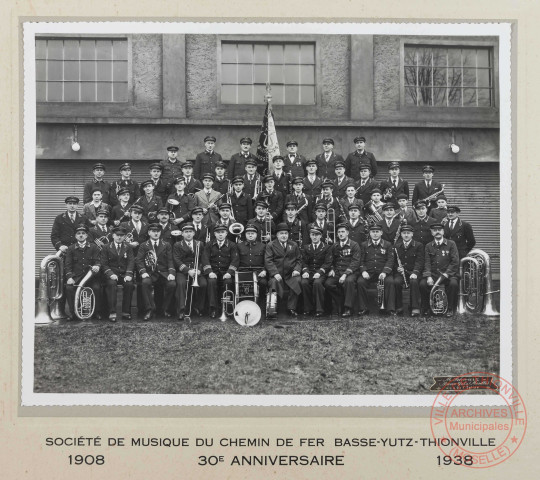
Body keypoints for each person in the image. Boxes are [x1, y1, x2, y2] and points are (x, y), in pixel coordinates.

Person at [136, 223, 176, 320]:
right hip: (150, 273)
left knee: (172, 284)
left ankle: (164, 309)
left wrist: (171, 273)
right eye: (153, 231)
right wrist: (143, 272)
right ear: (149, 232)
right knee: (145, 283)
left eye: (158, 231)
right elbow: (139, 260)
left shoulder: (166, 245)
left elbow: (170, 260)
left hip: (163, 273)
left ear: (160, 232)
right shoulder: (143, 245)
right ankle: (149, 309)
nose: (156, 233)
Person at [420, 222, 460, 317]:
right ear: (431, 233)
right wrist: (428, 276)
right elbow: (427, 262)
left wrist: (447, 273)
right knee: (422, 284)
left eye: (439, 230)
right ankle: (427, 308)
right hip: (434, 274)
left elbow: (455, 261)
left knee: (453, 284)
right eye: (435, 230)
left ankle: (450, 308)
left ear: (443, 231)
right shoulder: (428, 246)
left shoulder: (451, 244)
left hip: (449, 274)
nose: (437, 232)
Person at [64, 225, 102, 320]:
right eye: (78, 234)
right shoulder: (71, 248)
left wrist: (97, 265)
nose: (81, 235)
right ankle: (73, 313)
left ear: (86, 236)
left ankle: (96, 312)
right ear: (75, 236)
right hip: (76, 277)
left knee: (96, 288)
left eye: (83, 233)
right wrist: (69, 277)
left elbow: (98, 261)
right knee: (69, 288)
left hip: (90, 277)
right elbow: (67, 265)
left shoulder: (94, 247)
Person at [264, 223, 302, 317]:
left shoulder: (293, 245)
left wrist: (297, 269)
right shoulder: (271, 245)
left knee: (297, 280)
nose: (284, 235)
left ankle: (291, 308)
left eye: (286, 233)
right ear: (277, 235)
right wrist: (275, 273)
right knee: (273, 283)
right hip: (277, 274)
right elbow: (268, 261)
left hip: (290, 274)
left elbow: (299, 260)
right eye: (281, 233)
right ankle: (273, 308)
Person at [324, 223, 361, 317]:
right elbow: (330, 260)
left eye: (343, 232)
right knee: (328, 284)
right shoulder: (335, 246)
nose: (341, 234)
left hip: (350, 272)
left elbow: (355, 262)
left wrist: (345, 274)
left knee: (349, 282)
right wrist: (331, 269)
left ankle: (348, 308)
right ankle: (341, 301)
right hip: (337, 271)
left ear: (347, 233)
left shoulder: (354, 245)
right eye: (339, 232)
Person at [357, 224, 395, 315]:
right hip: (368, 272)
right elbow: (360, 260)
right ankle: (363, 308)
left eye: (377, 232)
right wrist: (364, 271)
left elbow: (390, 260)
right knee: (360, 282)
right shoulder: (363, 245)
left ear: (381, 233)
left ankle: (390, 309)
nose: (375, 234)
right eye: (373, 232)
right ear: (369, 233)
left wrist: (385, 272)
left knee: (390, 282)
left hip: (382, 272)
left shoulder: (388, 244)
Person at [202, 224, 239, 318]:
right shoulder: (209, 244)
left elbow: (235, 260)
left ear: (226, 233)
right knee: (211, 282)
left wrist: (229, 273)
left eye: (222, 232)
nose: (220, 234)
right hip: (213, 272)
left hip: (226, 272)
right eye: (218, 232)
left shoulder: (232, 245)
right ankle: (213, 308)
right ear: (214, 233)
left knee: (228, 282)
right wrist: (210, 272)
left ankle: (227, 308)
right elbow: (205, 258)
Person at [173, 223, 208, 320]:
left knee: (204, 284)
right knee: (181, 283)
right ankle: (181, 310)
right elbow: (176, 260)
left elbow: (203, 259)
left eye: (190, 232)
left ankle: (198, 307)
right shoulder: (177, 245)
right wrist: (188, 271)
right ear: (182, 234)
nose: (188, 234)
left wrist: (199, 270)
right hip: (183, 271)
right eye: (186, 232)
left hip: (196, 270)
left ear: (194, 233)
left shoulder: (199, 244)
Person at [100, 226, 135, 321]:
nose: (119, 237)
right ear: (113, 236)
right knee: (111, 285)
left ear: (124, 237)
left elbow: (131, 261)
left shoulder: (128, 247)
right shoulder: (106, 247)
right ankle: (112, 312)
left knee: (129, 285)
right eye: (117, 235)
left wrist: (128, 274)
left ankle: (126, 312)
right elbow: (104, 264)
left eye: (121, 235)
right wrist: (110, 274)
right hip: (111, 274)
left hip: (124, 274)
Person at [392, 224, 424, 317]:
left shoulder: (418, 245)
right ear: (401, 234)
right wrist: (397, 268)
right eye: (404, 233)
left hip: (413, 272)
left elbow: (420, 261)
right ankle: (399, 306)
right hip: (401, 273)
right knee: (396, 282)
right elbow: (393, 262)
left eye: (408, 233)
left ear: (412, 234)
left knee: (414, 282)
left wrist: (415, 272)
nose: (406, 235)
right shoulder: (396, 246)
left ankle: (414, 307)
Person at [301, 226, 332, 317]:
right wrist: (305, 271)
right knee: (304, 283)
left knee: (317, 283)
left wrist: (319, 272)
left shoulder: (326, 248)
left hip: (322, 273)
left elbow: (327, 263)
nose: (314, 237)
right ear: (310, 236)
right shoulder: (306, 247)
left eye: (317, 235)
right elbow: (304, 262)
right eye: (313, 235)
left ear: (321, 236)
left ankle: (319, 309)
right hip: (310, 272)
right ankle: (308, 308)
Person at [237, 224, 268, 313]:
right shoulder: (239, 246)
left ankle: (260, 307)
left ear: (256, 235)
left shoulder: (263, 246)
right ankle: (241, 307)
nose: (250, 235)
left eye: (252, 233)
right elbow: (236, 260)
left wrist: (264, 270)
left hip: (258, 272)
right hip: (243, 272)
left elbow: (267, 260)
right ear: (245, 235)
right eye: (248, 233)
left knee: (263, 283)